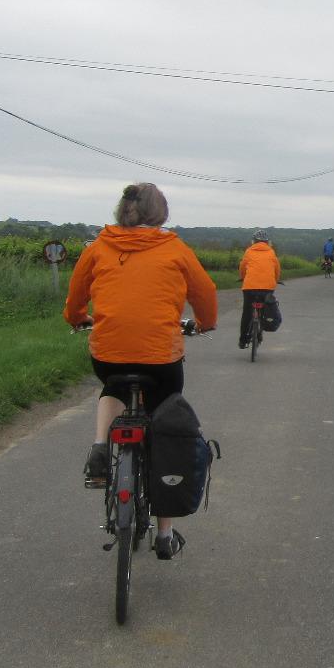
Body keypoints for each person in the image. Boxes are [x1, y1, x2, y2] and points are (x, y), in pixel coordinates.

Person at [64, 182, 218, 560]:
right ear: (160, 211)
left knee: (112, 389)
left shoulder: (98, 247)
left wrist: (78, 318)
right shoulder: (175, 249)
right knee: (167, 423)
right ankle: (165, 534)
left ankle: (100, 448)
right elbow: (206, 293)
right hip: (161, 358)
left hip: (110, 353)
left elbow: (76, 295)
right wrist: (204, 323)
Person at [237, 231, 282, 345]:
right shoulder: (271, 252)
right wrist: (275, 280)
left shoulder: (249, 251)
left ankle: (243, 340)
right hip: (268, 287)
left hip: (249, 287)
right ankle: (263, 325)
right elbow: (277, 269)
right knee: (266, 307)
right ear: (267, 242)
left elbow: (242, 267)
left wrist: (242, 277)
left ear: (254, 241)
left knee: (247, 312)